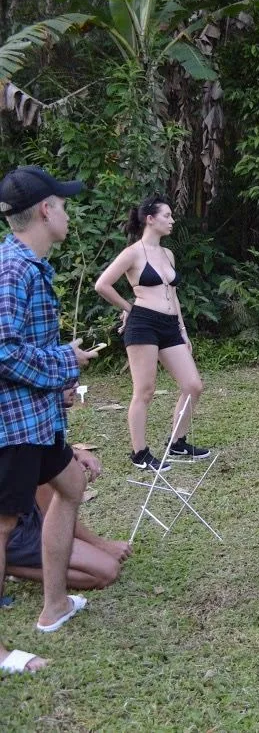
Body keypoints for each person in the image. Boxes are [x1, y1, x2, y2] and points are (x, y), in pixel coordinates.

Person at [0, 165, 101, 674]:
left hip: (38, 418)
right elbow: (2, 350)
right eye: (62, 205)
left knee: (72, 484)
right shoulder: (14, 269)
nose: (66, 212)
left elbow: (22, 348)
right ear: (45, 210)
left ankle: (54, 606)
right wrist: (65, 361)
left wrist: (60, 370)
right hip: (11, 424)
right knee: (2, 526)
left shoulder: (31, 264)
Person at [94, 195, 209, 473]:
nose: (172, 221)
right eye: (167, 216)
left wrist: (182, 329)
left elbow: (173, 294)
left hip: (170, 325)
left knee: (193, 385)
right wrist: (128, 308)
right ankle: (140, 453)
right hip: (143, 322)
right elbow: (103, 284)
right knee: (144, 391)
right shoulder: (133, 252)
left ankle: (177, 442)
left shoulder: (168, 254)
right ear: (150, 219)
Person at [5, 388, 130, 593]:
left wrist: (72, 451)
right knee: (105, 570)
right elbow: (52, 516)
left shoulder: (31, 419)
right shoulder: (30, 438)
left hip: (24, 516)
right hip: (15, 528)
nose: (75, 386)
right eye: (65, 381)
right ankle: (10, 566)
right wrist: (102, 544)